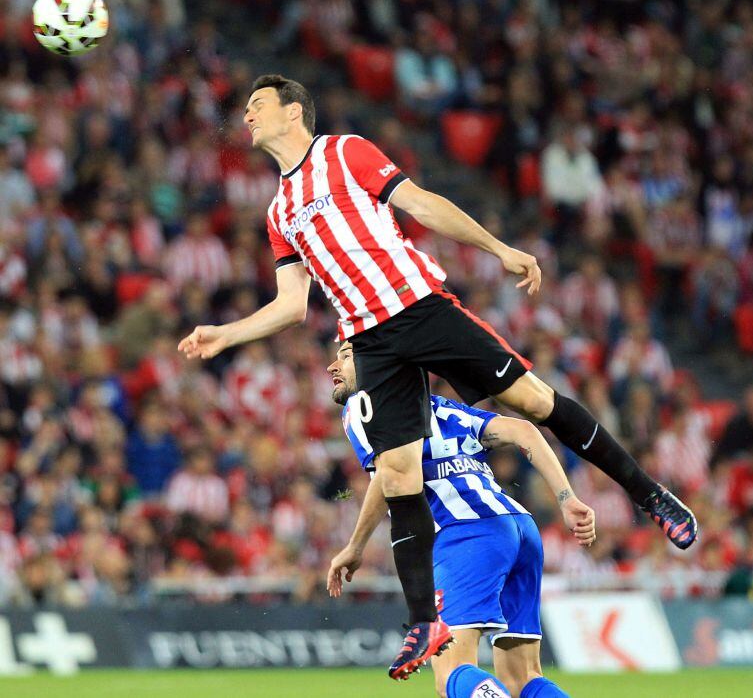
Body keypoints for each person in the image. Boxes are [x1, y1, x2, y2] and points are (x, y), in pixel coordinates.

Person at [178, 74, 696, 679]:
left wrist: (499, 249)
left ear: (294, 112)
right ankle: (424, 620)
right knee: (398, 471)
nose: (247, 114)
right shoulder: (278, 211)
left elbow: (421, 203)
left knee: (532, 400)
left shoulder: (344, 151)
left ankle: (648, 494)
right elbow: (292, 303)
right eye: (244, 108)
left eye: (258, 105)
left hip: (419, 306)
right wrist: (226, 333)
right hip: (368, 340)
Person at [326, 340, 589, 697]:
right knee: (522, 677)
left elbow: (389, 476)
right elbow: (526, 431)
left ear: (375, 364)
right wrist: (566, 497)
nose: (332, 367)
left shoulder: (363, 405)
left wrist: (354, 546)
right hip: (519, 527)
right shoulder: (445, 409)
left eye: (345, 356)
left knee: (452, 672)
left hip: (466, 534)